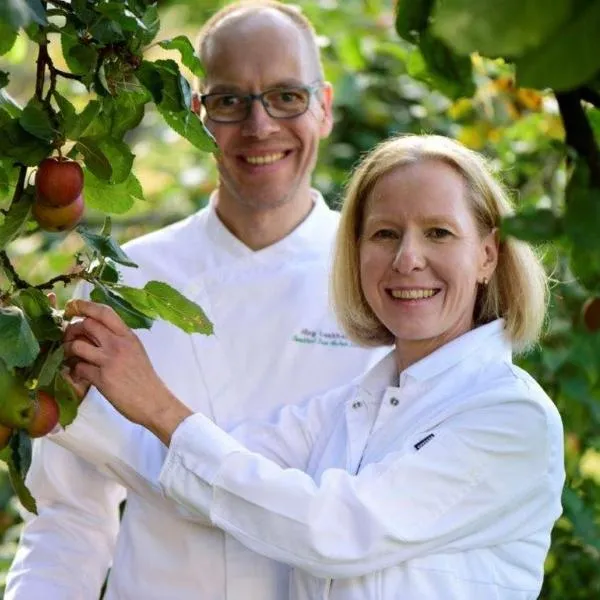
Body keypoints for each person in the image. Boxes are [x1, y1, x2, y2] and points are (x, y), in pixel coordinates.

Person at [57, 134, 565, 599]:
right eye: (385, 234)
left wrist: (156, 403)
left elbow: (334, 532)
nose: (408, 258)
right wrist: (59, 404)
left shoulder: (511, 417)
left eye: (438, 232)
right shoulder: (353, 406)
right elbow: (195, 473)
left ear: (487, 255)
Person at [5, 2, 386, 598]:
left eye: (286, 96)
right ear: (197, 114)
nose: (260, 127)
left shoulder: (386, 284)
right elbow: (69, 518)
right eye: (229, 100)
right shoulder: (124, 284)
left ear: (326, 107)